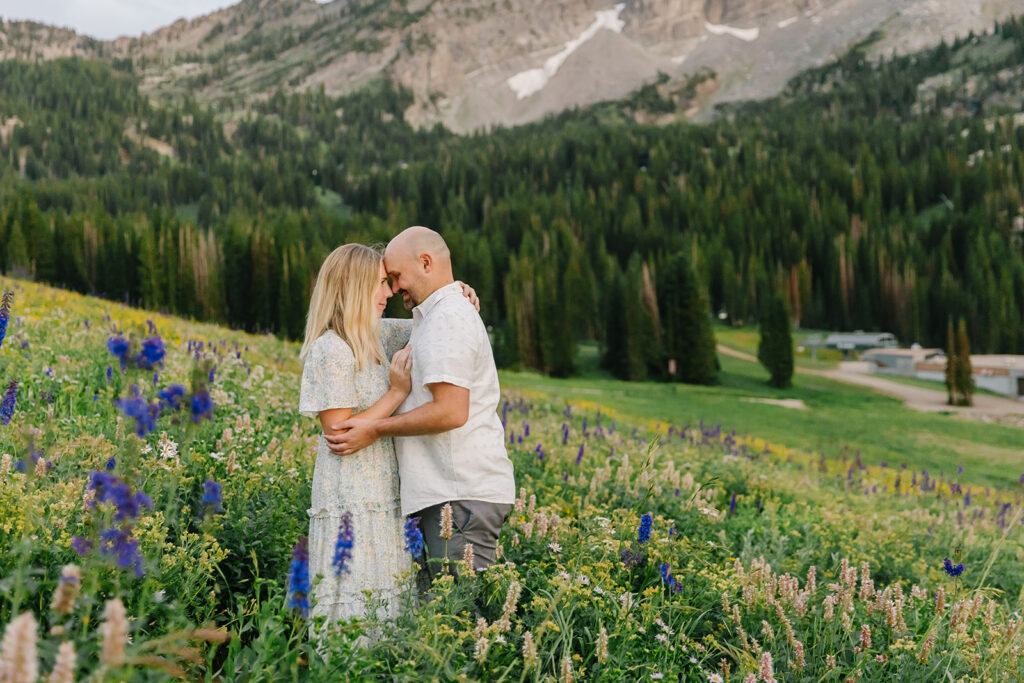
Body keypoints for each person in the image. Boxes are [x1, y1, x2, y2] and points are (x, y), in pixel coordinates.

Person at [297, 243, 479, 626]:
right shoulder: (331, 349)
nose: (389, 293)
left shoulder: (379, 336)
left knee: (389, 604)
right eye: (380, 283)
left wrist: (453, 292)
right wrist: (396, 393)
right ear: (353, 288)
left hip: (386, 494)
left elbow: (433, 321)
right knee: (355, 607)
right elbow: (339, 434)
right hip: (350, 497)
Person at [326, 227, 516, 585]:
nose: (394, 289)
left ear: (426, 262)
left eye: (396, 277)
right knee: (442, 617)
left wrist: (375, 429)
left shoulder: (448, 318)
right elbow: (357, 324)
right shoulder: (431, 318)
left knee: (457, 618)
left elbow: (451, 411)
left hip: (461, 494)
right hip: (449, 494)